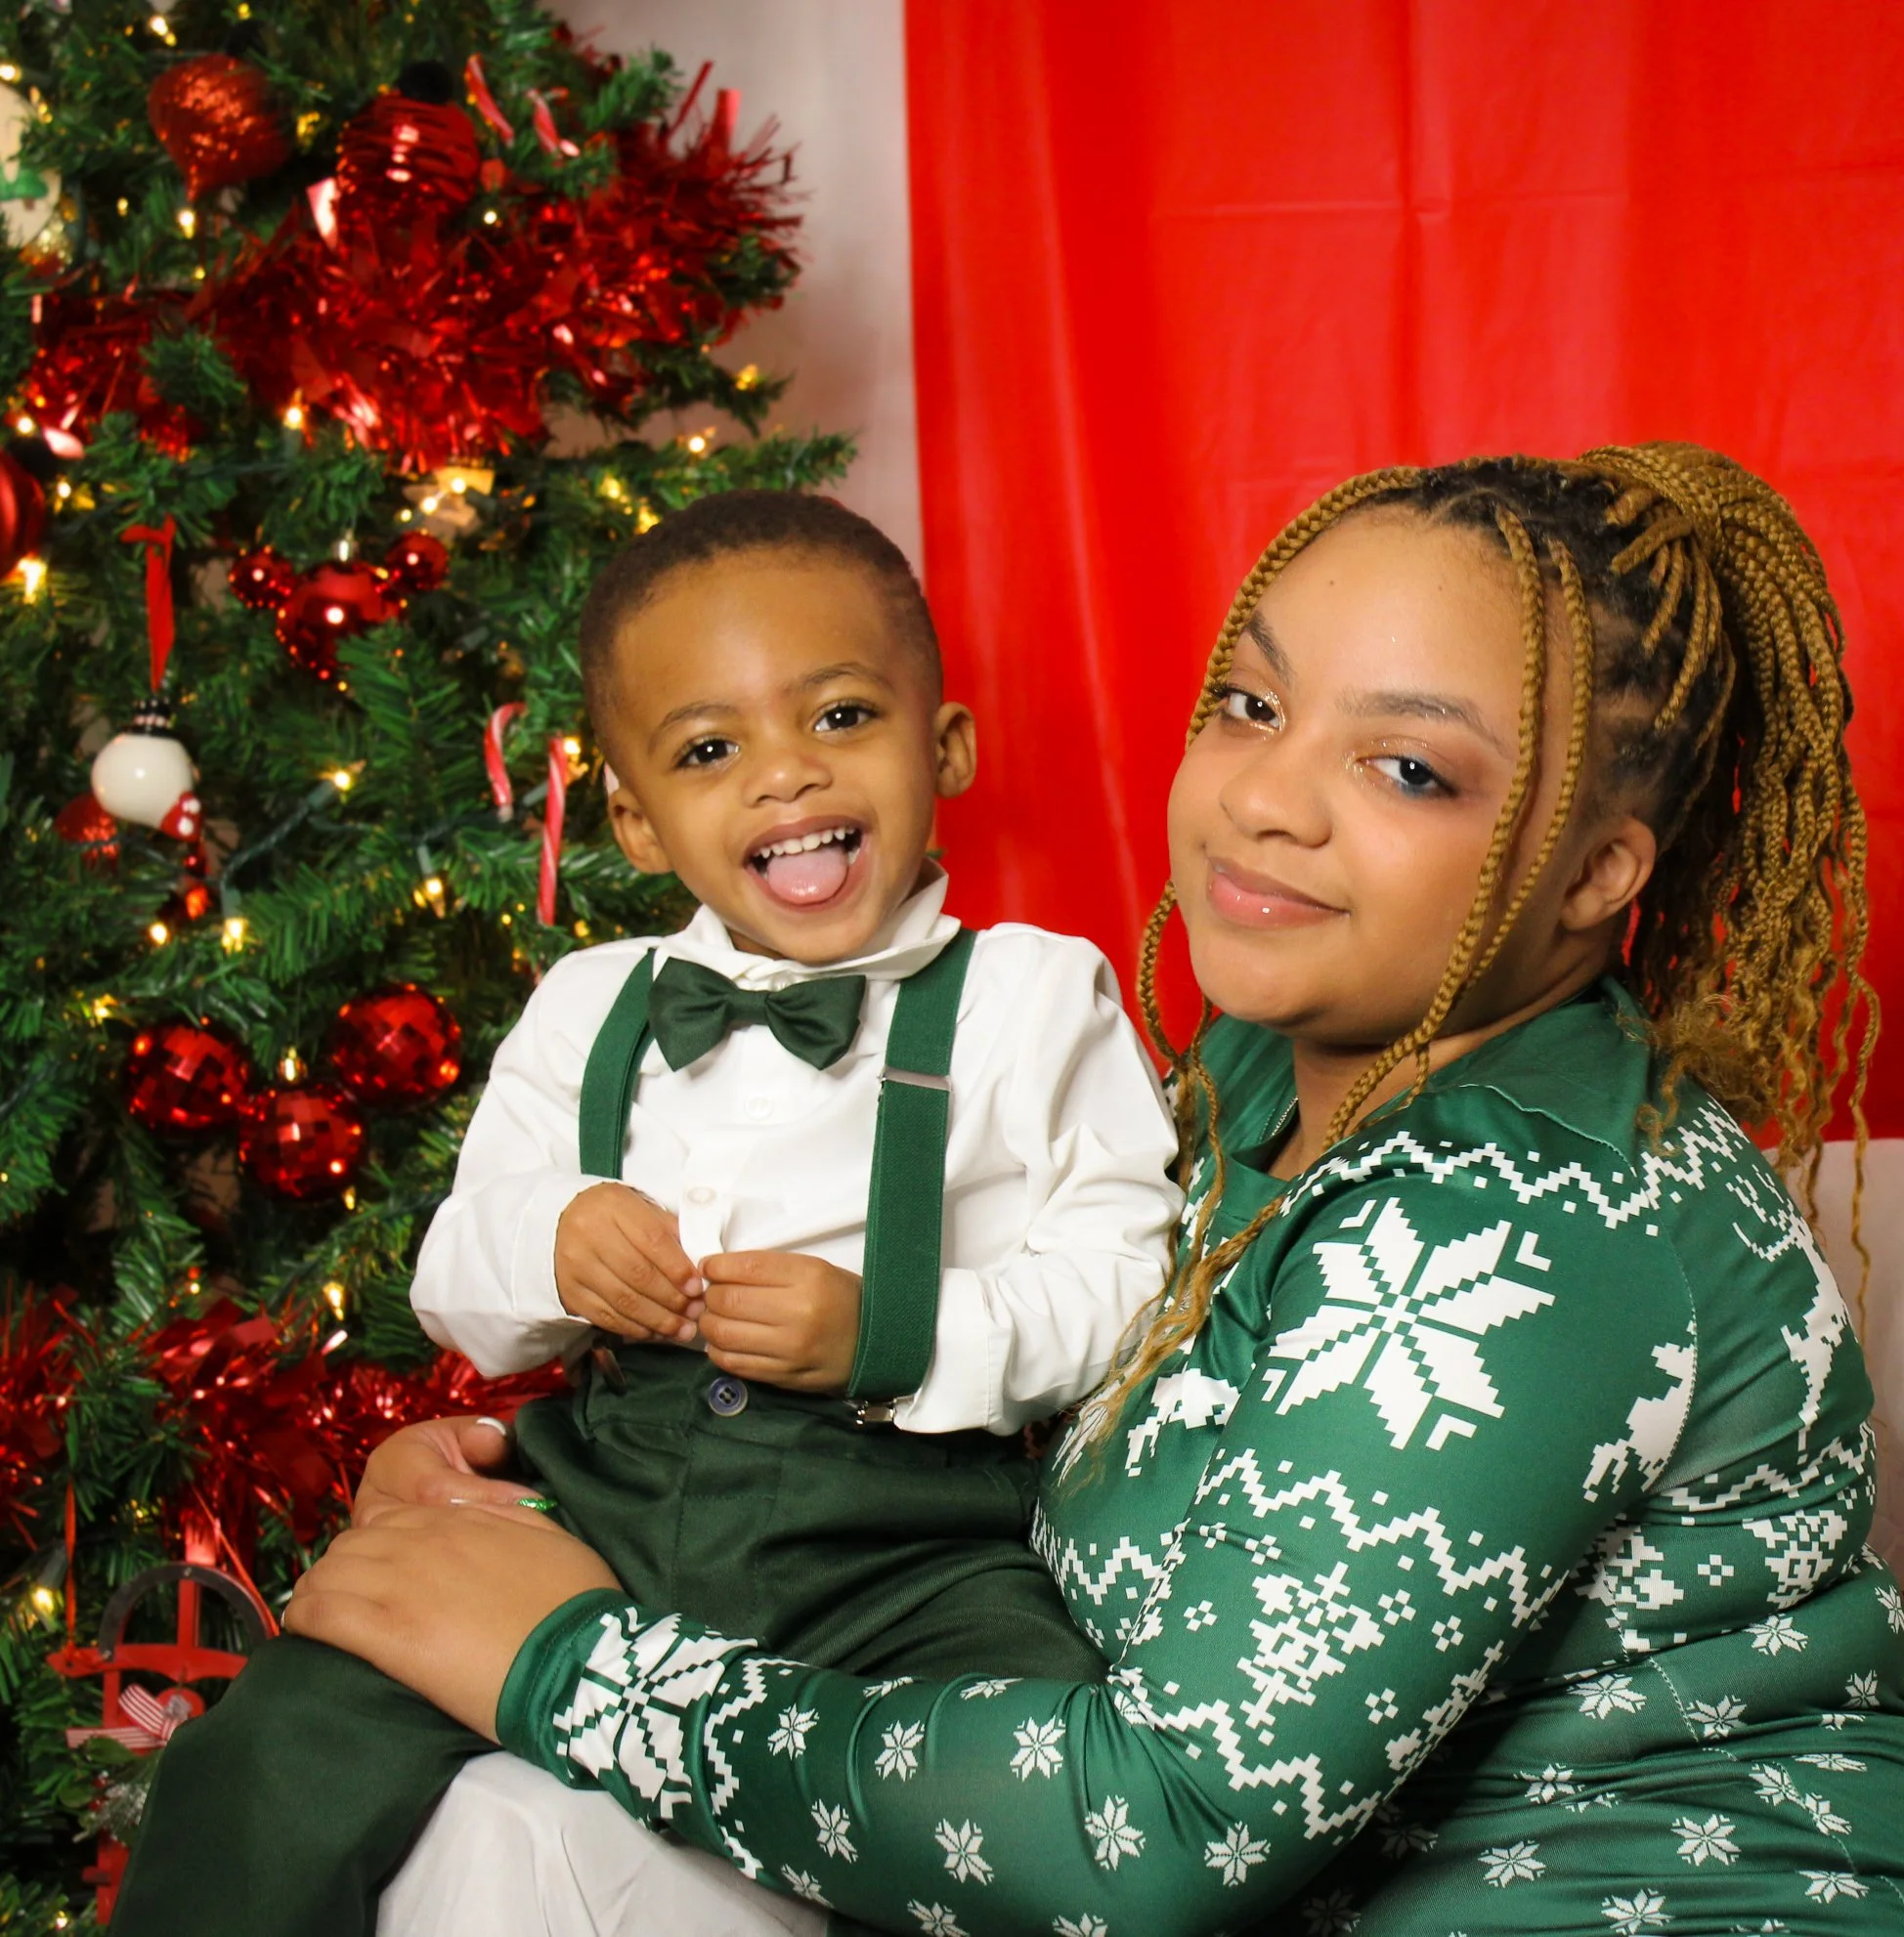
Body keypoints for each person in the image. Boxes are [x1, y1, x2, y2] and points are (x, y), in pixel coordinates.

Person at [290, 448, 1904, 1934]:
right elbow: (977, 1397)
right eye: (1249, 703)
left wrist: (569, 1661)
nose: (1263, 802)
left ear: (1604, 869)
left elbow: (1159, 1833)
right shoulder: (1234, 1093)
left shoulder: (1539, 1219)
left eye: (1404, 765)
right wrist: (538, 1484)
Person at [112, 491, 1182, 1937]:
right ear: (632, 812)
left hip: (906, 1541)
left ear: (947, 747)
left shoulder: (1036, 998)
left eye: (842, 717)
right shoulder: (591, 1002)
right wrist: (554, 1240)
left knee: (1039, 1792)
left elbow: (1125, 1282)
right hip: (615, 1493)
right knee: (280, 1746)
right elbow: (456, 1273)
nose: (784, 780)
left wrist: (898, 1332)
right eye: (709, 749)